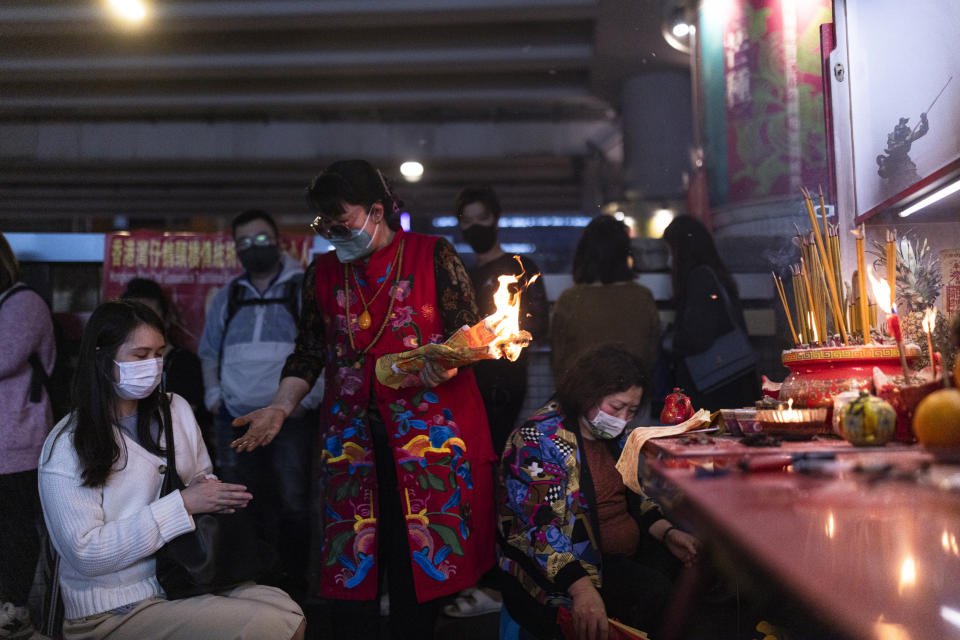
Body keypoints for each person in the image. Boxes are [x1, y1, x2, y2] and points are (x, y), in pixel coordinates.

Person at [231, 159, 497, 639]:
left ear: (378, 211)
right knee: (352, 570)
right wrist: (280, 406)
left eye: (344, 223)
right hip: (351, 439)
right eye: (326, 226)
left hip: (426, 439)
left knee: (417, 563)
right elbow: (310, 352)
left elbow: (469, 336)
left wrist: (451, 362)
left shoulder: (433, 255)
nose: (335, 234)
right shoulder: (323, 272)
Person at [38, 300, 305, 640]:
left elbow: (198, 474)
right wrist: (185, 504)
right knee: (278, 626)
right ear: (101, 356)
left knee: (286, 608)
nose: (152, 365)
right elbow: (87, 554)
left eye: (158, 353)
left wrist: (213, 493)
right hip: (112, 610)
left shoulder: (174, 408)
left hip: (180, 579)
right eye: (140, 355)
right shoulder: (67, 444)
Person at [497, 344, 700, 639]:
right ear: (586, 393)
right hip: (572, 568)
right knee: (655, 594)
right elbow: (539, 531)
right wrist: (581, 590)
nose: (622, 418)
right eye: (616, 407)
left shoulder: (613, 436)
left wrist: (668, 533)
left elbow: (635, 497)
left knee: (695, 572)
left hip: (621, 553)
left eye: (631, 411)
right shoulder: (537, 441)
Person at [197, 209, 323, 601]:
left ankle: (294, 587)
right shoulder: (227, 296)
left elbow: (323, 352)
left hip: (290, 418)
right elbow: (208, 353)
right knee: (240, 504)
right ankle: (250, 585)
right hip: (234, 420)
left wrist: (308, 401)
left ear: (280, 240)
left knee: (293, 502)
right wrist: (214, 398)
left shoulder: (305, 289)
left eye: (261, 239)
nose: (254, 248)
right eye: (245, 242)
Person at [455, 185, 549, 456]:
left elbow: (537, 324)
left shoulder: (520, 268)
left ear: (495, 218)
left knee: (496, 452)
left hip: (506, 380)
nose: (475, 227)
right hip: (467, 381)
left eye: (481, 218)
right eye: (467, 221)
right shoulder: (464, 274)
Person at [0, 232, 56, 640]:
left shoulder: (24, 302)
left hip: (20, 442)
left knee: (16, 531)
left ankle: (14, 609)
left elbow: (4, 357)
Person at [661, 215, 760, 412]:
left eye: (670, 250)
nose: (668, 259)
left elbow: (697, 335)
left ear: (682, 251)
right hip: (731, 382)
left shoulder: (700, 279)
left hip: (713, 387)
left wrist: (670, 341)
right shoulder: (716, 276)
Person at [549, 215, 661, 383]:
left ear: (585, 253)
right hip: (634, 394)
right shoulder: (642, 297)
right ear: (624, 254)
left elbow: (559, 359)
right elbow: (651, 354)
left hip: (583, 396)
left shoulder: (570, 300)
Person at [120, 278, 209, 442]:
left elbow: (184, 424)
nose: (140, 325)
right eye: (133, 318)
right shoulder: (115, 365)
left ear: (166, 320)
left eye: (150, 317)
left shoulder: (185, 363)